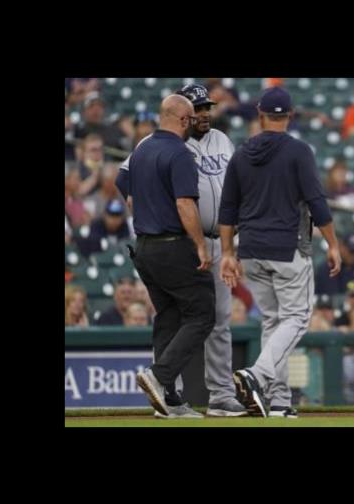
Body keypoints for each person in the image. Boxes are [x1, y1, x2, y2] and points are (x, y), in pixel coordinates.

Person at [120, 84, 247, 418]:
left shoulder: (222, 140)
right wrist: (140, 202)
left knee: (213, 319)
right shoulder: (167, 144)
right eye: (197, 109)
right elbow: (125, 178)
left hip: (216, 239)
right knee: (197, 315)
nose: (203, 114)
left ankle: (217, 396)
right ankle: (164, 384)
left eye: (206, 108)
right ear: (184, 115)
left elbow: (237, 186)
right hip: (184, 242)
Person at [219, 87, 342, 418]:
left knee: (273, 323)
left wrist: (227, 252)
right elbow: (317, 202)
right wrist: (333, 244)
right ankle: (257, 375)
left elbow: (227, 208)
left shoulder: (241, 153)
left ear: (260, 116)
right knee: (297, 319)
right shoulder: (299, 151)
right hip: (287, 248)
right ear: (290, 116)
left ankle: (279, 401)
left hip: (250, 250)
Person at [114, 94, 214, 420]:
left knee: (169, 316)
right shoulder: (179, 153)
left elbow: (123, 183)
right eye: (191, 119)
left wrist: (144, 207)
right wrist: (200, 244)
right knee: (202, 314)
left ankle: (169, 400)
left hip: (144, 247)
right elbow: (185, 204)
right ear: (183, 120)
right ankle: (159, 376)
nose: (193, 124)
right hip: (172, 245)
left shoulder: (142, 149)